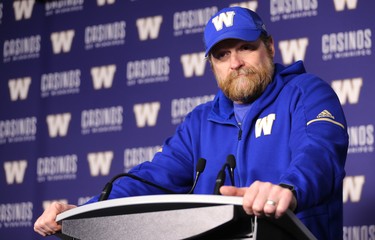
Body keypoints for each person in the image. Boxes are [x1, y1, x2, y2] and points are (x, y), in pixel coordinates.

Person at [34, 6, 348, 239]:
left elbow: (320, 152)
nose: (235, 63)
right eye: (222, 55)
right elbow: (151, 179)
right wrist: (82, 211)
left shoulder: (306, 92)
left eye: (245, 48)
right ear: (212, 65)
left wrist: (287, 188)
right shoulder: (200, 122)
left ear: (269, 46)